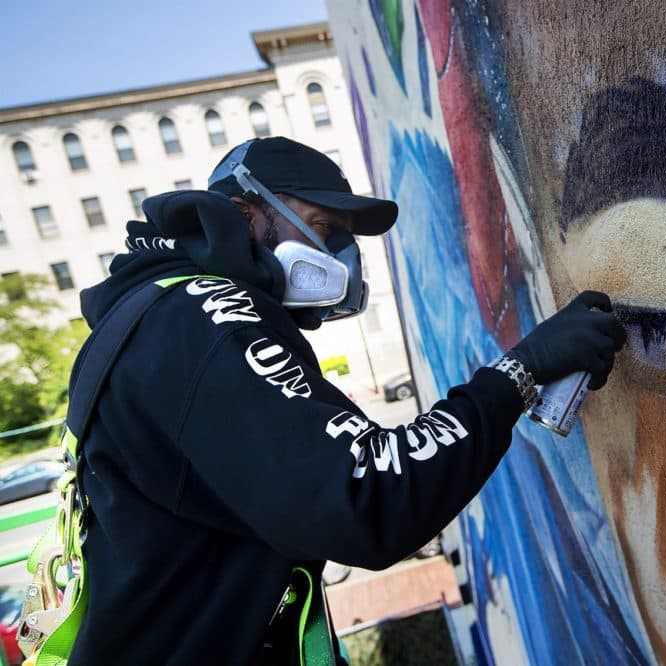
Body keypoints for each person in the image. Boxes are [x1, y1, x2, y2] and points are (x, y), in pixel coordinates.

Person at [67, 136, 625, 664]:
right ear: (244, 215)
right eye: (322, 226)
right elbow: (371, 494)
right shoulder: (209, 319)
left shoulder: (153, 314)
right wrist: (520, 371)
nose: (338, 254)